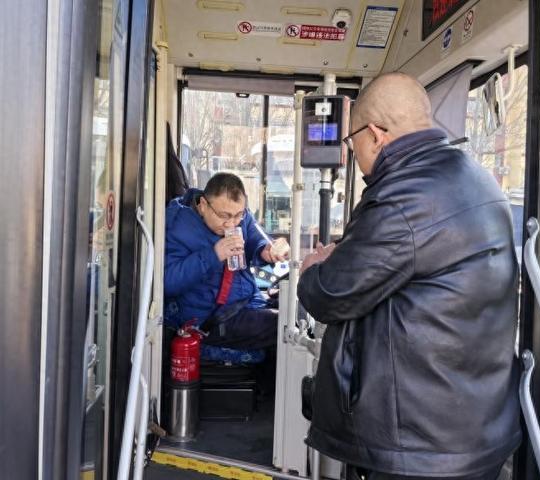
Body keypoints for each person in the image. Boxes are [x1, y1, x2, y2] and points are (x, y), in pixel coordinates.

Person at [297, 72, 521, 480]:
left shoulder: (403, 198)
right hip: (474, 429)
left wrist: (314, 267)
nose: (355, 155)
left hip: (418, 447)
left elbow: (330, 294)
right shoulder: (475, 178)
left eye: (352, 143)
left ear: (375, 135)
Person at [164, 172, 288, 351]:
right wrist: (213, 255)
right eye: (224, 216)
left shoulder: (242, 219)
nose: (231, 224)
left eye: (238, 215)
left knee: (295, 311)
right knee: (284, 328)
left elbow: (257, 238)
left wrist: (267, 250)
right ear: (203, 205)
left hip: (247, 302)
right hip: (209, 319)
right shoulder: (177, 226)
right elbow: (168, 282)